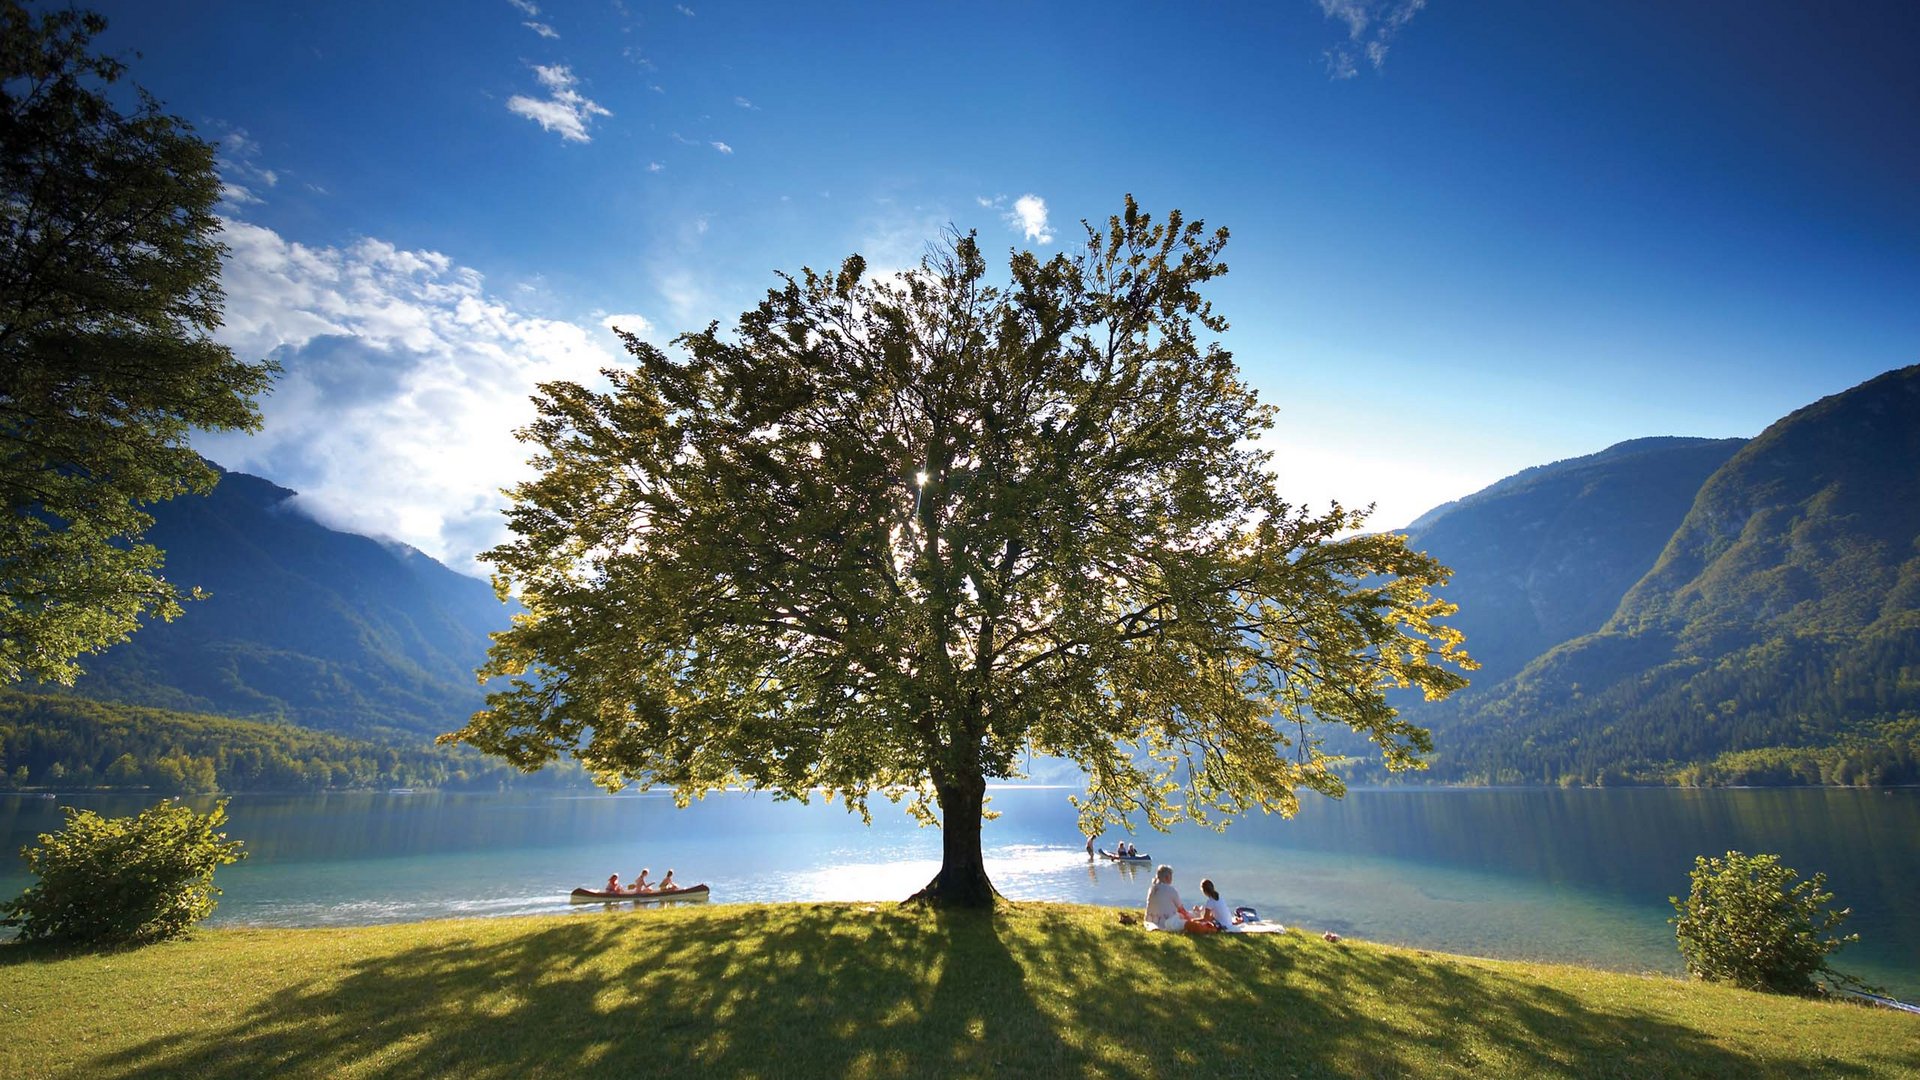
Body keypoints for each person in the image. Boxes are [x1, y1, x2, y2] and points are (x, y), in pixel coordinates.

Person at [1144, 864, 1190, 932]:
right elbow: (1181, 909)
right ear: (1167, 877)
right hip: (1166, 923)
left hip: (1150, 921)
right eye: (1171, 876)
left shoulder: (1152, 889)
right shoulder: (1170, 890)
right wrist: (1188, 917)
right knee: (1186, 918)